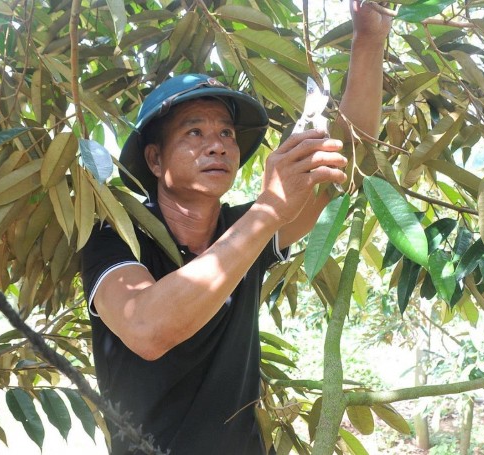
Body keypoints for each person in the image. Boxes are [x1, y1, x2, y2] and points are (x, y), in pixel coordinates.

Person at [80, 2, 392, 453]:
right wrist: (267, 209)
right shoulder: (115, 236)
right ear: (154, 159)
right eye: (194, 133)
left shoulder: (245, 231)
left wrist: (369, 41)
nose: (218, 146)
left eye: (226, 133)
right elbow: (147, 329)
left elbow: (345, 165)